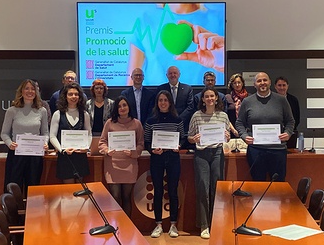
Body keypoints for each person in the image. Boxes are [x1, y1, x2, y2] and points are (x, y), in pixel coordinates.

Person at [127, 3, 225, 86]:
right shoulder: (146, 19)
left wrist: (220, 63)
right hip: (156, 102)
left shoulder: (219, 19)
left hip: (203, 102)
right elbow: (133, 79)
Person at [188, 86, 230, 239]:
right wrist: (194, 139)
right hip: (201, 154)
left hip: (217, 152)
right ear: (203, 99)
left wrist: (227, 136)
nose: (210, 99)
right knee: (203, 188)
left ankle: (217, 222)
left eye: (212, 96)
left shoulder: (223, 116)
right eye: (207, 96)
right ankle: (204, 225)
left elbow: (227, 138)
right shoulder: (196, 116)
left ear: (217, 98)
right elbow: (189, 137)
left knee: (218, 188)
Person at [235, 72, 295, 182]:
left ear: (270, 82)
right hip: (256, 151)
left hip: (278, 150)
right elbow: (239, 123)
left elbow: (290, 121)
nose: (262, 83)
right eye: (259, 81)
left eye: (265, 80)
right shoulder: (247, 101)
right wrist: (244, 136)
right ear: (254, 85)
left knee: (278, 185)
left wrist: (288, 132)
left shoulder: (281, 100)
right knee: (258, 185)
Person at [144, 90, 184, 238]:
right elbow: (147, 142)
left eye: (165, 100)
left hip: (173, 157)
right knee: (158, 192)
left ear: (170, 102)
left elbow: (182, 139)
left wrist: (178, 146)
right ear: (157, 103)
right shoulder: (150, 121)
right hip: (157, 159)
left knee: (173, 191)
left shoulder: (177, 120)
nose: (163, 103)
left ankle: (173, 225)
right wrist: (152, 150)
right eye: (160, 100)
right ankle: (158, 225)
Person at [98, 96, 144, 218]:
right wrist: (107, 150)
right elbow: (102, 142)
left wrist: (133, 153)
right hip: (112, 165)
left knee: (126, 197)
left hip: (129, 165)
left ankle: (127, 228)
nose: (122, 108)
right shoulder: (109, 123)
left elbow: (141, 144)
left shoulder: (137, 124)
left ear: (129, 107)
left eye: (124, 105)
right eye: (119, 106)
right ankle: (117, 226)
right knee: (115, 197)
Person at [0, 79, 49, 194]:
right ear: (21, 91)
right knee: (13, 187)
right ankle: (13, 211)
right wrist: (9, 143)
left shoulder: (42, 111)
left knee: (33, 187)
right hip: (16, 153)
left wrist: (45, 143)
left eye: (33, 89)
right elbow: (4, 133)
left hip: (35, 155)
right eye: (27, 88)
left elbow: (45, 132)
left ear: (36, 92)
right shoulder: (12, 110)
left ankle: (32, 211)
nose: (30, 91)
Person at [49, 82, 92, 184]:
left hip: (80, 156)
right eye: (70, 94)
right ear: (65, 96)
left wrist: (86, 147)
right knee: (68, 192)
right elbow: (52, 136)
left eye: (76, 94)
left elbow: (89, 134)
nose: (74, 97)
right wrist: (62, 150)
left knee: (80, 191)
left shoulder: (84, 114)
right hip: (65, 157)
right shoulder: (58, 114)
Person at [156, 66, 194, 140]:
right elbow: (158, 105)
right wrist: (170, 119)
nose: (173, 75)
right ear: (166, 75)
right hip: (166, 123)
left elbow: (190, 107)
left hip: (183, 123)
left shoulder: (187, 88)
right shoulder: (161, 88)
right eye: (170, 73)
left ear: (179, 74)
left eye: (175, 73)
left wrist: (178, 119)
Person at [225, 73, 249, 138]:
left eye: (239, 82)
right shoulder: (227, 97)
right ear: (232, 85)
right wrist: (234, 131)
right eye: (234, 83)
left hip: (247, 131)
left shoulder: (249, 97)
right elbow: (225, 117)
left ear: (242, 83)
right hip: (232, 131)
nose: (237, 85)